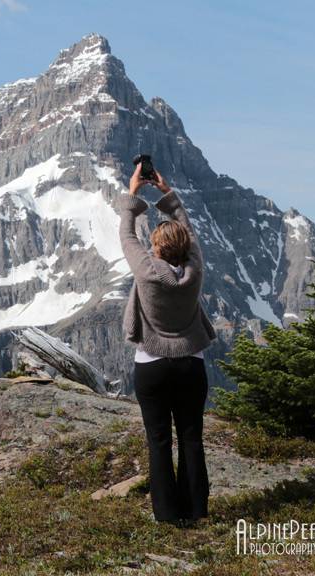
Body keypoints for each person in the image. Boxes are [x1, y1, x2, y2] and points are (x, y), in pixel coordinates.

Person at [119, 162, 216, 525]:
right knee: (191, 437)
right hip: (191, 364)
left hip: (151, 365)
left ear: (156, 248)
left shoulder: (145, 270)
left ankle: (166, 513)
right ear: (186, 249)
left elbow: (127, 234)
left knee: (158, 440)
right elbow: (188, 233)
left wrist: (133, 192)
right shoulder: (195, 271)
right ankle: (197, 510)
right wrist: (167, 192)